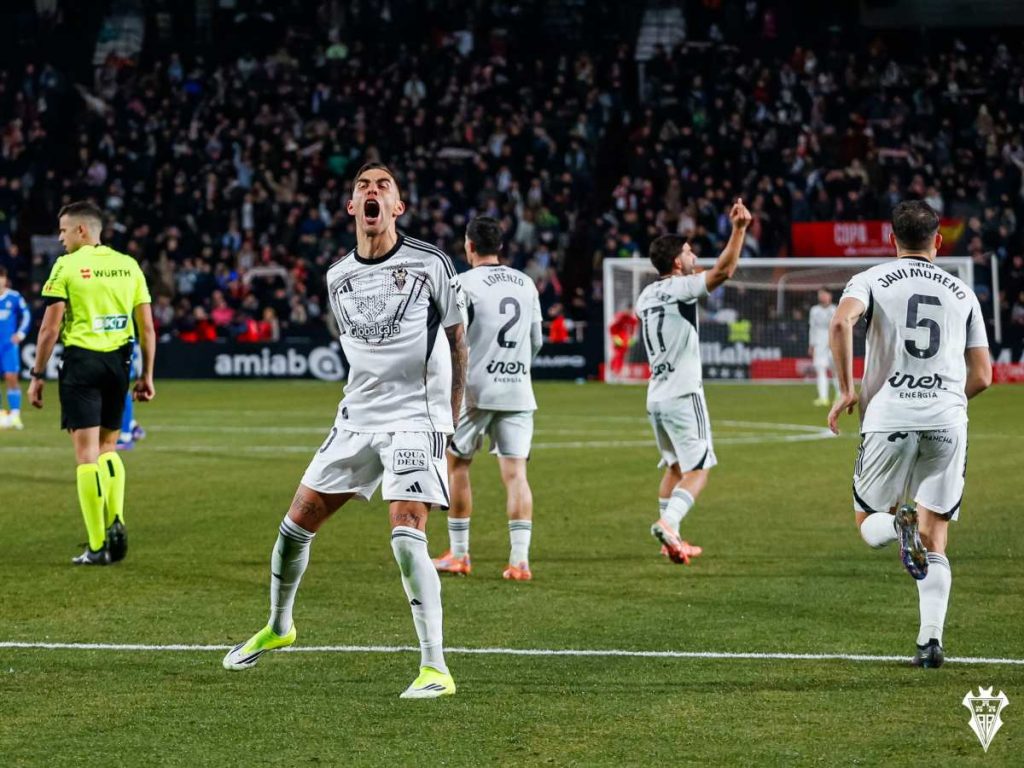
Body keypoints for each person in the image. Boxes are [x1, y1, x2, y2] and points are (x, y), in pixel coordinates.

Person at [222, 163, 468, 700]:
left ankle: (435, 668)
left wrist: (450, 417)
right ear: (352, 208)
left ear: (398, 207)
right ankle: (279, 626)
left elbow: (456, 339)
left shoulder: (431, 263)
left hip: (415, 418)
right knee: (294, 526)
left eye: (384, 187)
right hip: (356, 419)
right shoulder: (337, 276)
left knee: (406, 535)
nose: (373, 192)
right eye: (363, 187)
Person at [828, 201, 991, 668]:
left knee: (866, 522)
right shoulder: (963, 292)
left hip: (889, 418)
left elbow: (841, 322)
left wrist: (844, 391)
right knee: (935, 532)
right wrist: (944, 400)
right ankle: (930, 642)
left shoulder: (872, 279)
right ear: (938, 241)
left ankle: (898, 530)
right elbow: (982, 376)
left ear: (891, 239)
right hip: (946, 421)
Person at [29, 201, 156, 565]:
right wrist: (146, 375)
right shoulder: (128, 265)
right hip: (120, 362)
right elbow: (146, 327)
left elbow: (50, 328)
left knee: (85, 456)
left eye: (63, 230)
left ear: (82, 230)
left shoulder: (66, 266)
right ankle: (116, 520)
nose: (60, 238)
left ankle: (98, 545)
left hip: (82, 362)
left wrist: (37, 376)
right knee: (109, 448)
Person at [638, 198, 752, 564]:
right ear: (676, 262)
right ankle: (669, 524)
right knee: (699, 469)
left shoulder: (646, 295)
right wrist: (739, 230)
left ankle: (670, 539)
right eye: (688, 252)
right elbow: (723, 272)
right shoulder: (679, 288)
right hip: (684, 394)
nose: (692, 256)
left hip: (656, 396)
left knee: (673, 467)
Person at [432, 216, 543, 581]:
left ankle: (460, 555)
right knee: (516, 475)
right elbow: (536, 340)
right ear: (501, 246)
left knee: (459, 465)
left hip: (474, 389)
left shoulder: (462, 284)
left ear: (469, 246)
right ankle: (519, 561)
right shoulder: (526, 283)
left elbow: (453, 339)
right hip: (518, 390)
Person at [0, 266, 31, 430]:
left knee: (11, 378)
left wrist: (20, 334)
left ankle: (15, 415)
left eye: (1, 277)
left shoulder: (14, 297)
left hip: (8, 345)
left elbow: (26, 315)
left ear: (5, 279)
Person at [808, 287, 837, 406]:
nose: (822, 296)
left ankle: (840, 395)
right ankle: (823, 397)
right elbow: (812, 328)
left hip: (834, 341)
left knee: (836, 370)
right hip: (819, 342)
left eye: (824, 294)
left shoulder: (835, 309)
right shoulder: (814, 310)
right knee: (820, 369)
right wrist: (811, 344)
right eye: (820, 294)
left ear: (830, 296)